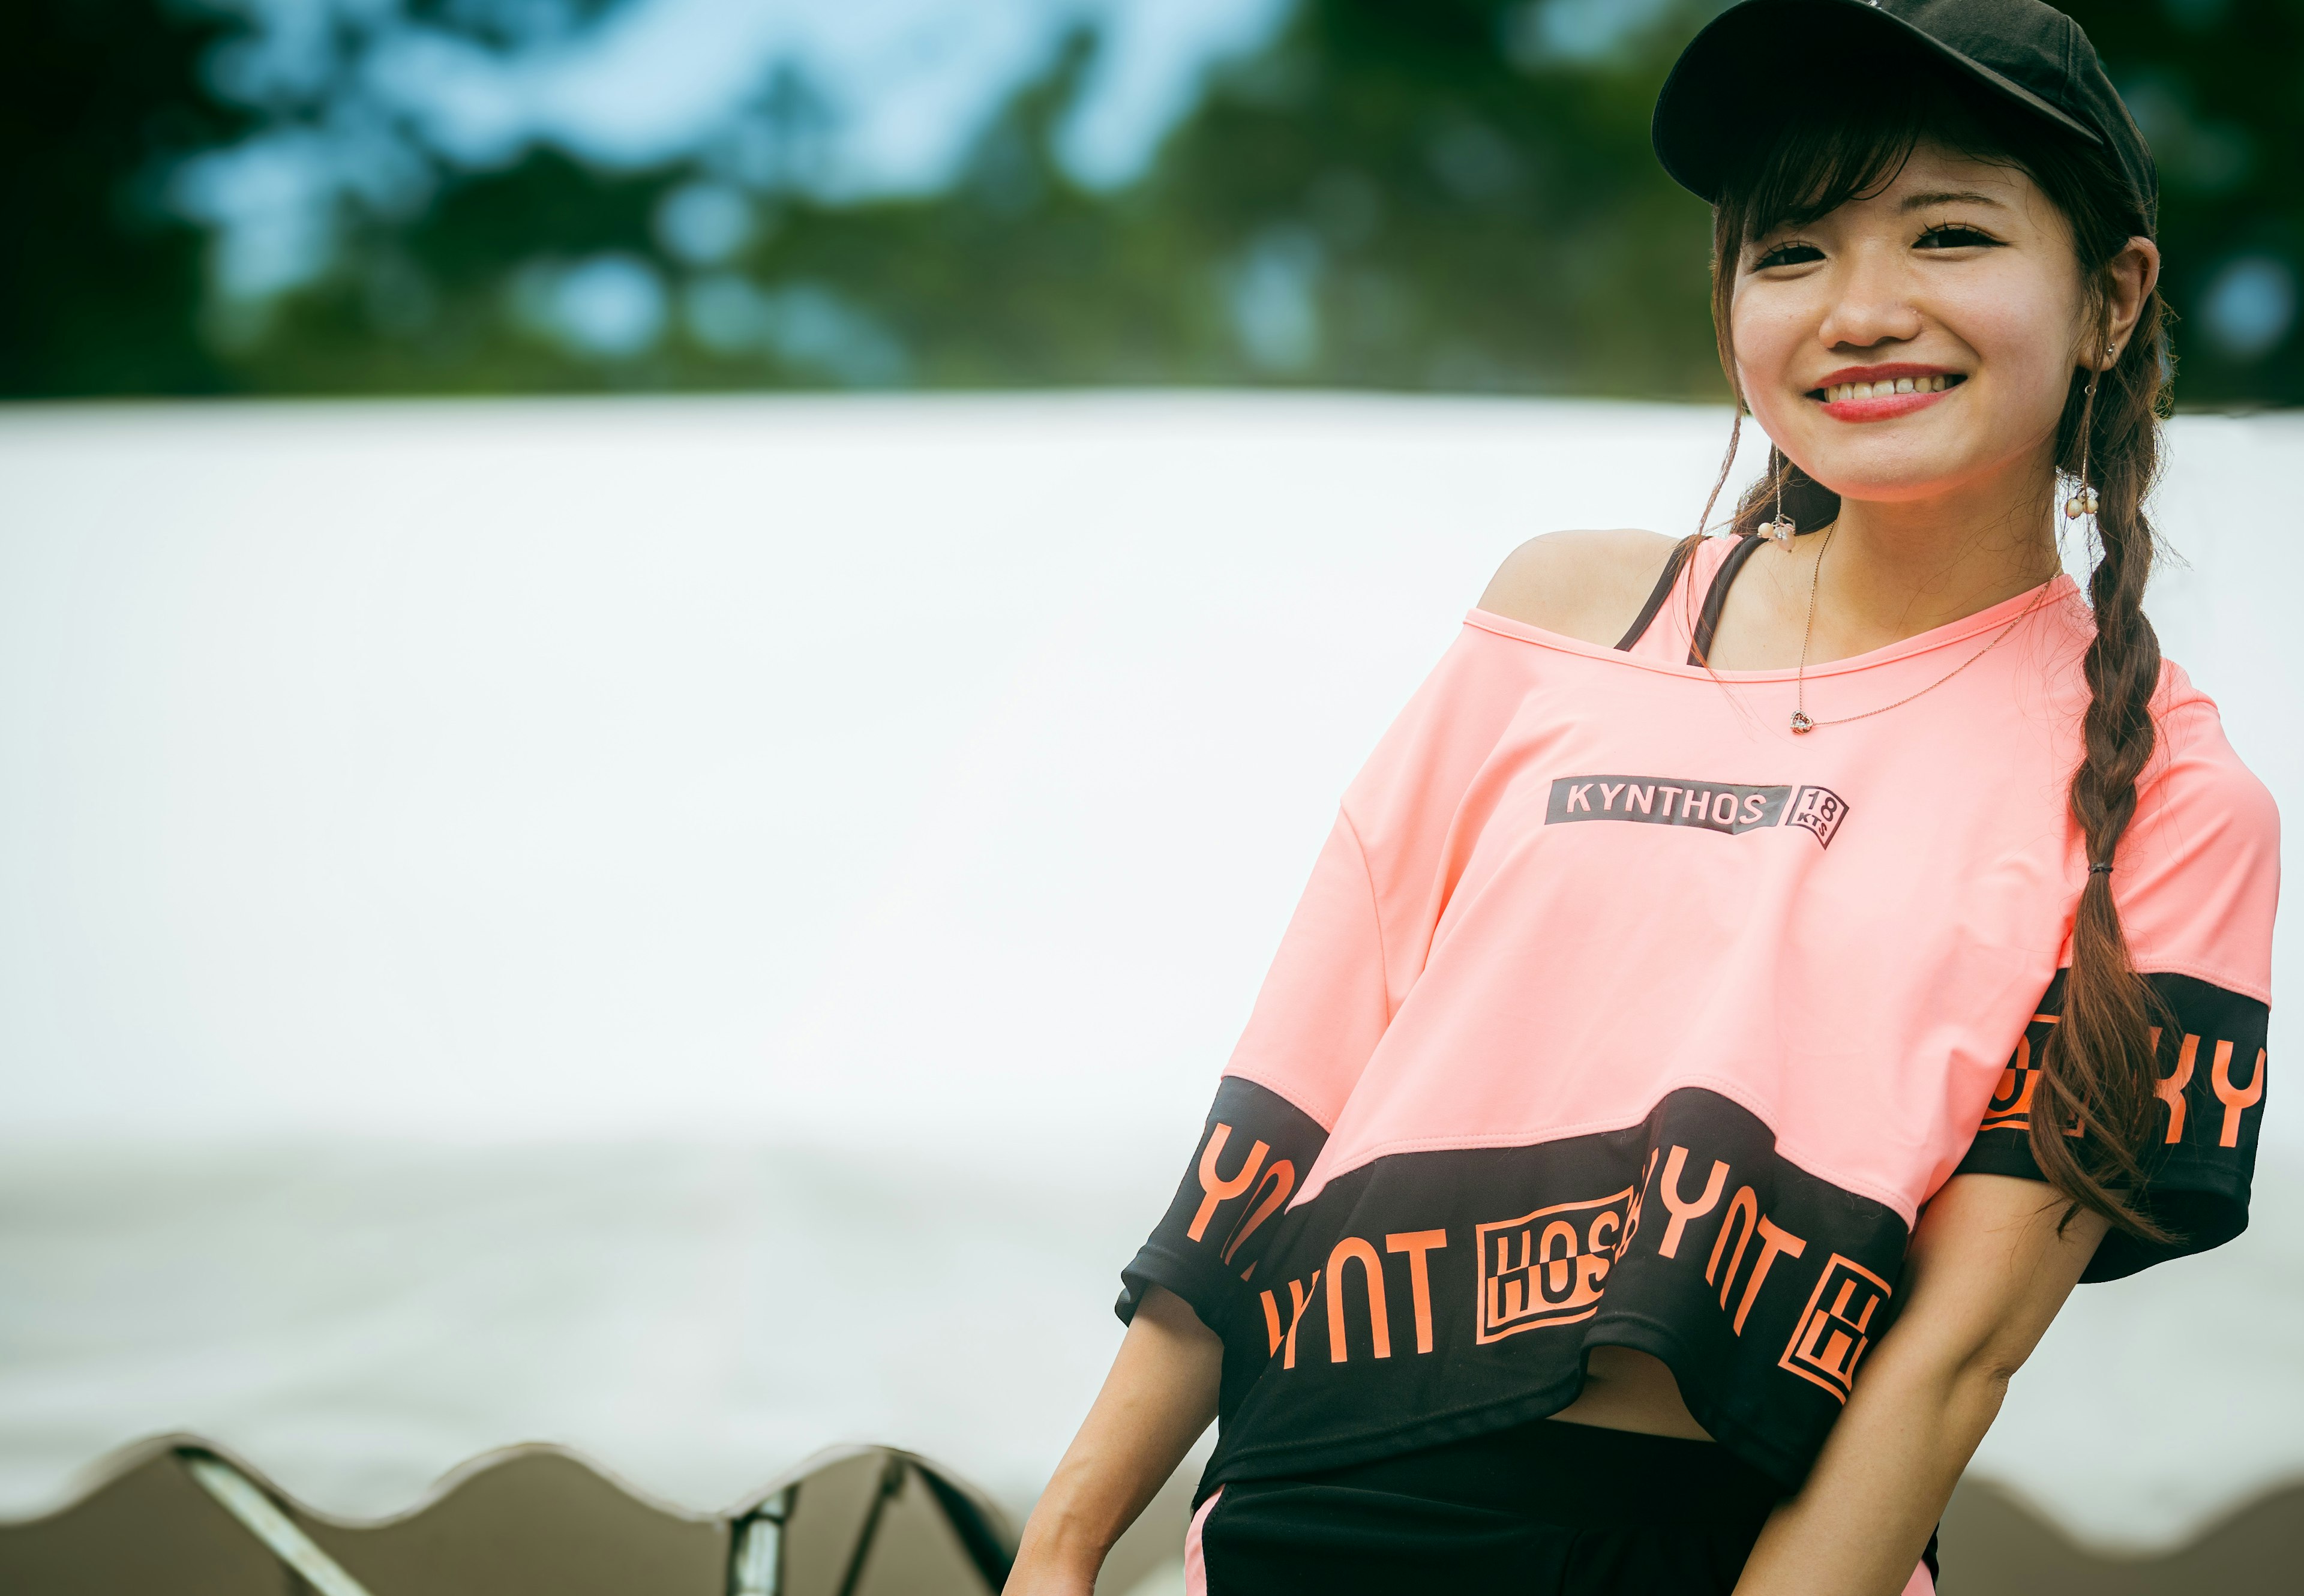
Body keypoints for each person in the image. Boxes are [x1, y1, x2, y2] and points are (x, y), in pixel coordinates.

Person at [1005, 2, 2278, 1592]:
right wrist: (1061, 1545)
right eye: (1793, 251)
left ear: (2111, 299)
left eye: (1949, 236)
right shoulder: (1564, 613)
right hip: (1306, 1514)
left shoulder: (2175, 802)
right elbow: (1284, 1110)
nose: (1862, 311)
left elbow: (1956, 1356)